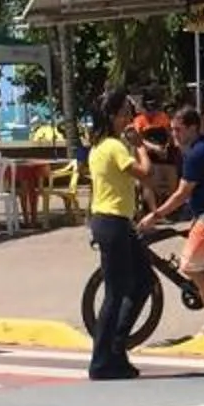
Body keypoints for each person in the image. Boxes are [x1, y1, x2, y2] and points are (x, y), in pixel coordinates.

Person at [139, 103, 204, 333]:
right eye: (172, 129)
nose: (174, 135)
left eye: (179, 130)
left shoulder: (196, 154)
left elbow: (182, 193)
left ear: (193, 128)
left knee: (190, 266)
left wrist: (156, 215)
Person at [85, 88, 155, 379]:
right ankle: (102, 360)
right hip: (112, 222)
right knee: (116, 293)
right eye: (125, 113)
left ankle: (116, 349)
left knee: (141, 282)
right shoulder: (113, 146)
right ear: (112, 116)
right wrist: (140, 146)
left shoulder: (99, 147)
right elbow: (145, 173)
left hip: (114, 221)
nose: (129, 118)